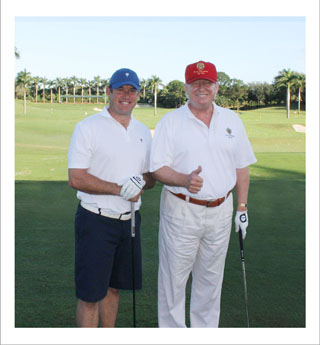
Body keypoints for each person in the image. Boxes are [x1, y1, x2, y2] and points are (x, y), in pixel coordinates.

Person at [150, 60, 257, 328]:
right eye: (195, 83)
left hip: (222, 211)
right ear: (186, 87)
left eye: (206, 83)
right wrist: (184, 179)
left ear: (216, 86)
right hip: (181, 210)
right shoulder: (171, 122)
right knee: (173, 282)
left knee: (210, 282)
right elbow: (156, 169)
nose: (201, 88)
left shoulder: (232, 120)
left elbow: (241, 168)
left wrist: (242, 208)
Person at [68, 68, 155, 327]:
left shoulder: (143, 131)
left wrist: (141, 182)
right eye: (120, 89)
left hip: (129, 221)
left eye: (131, 90)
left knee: (114, 288)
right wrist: (119, 189)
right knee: (90, 296)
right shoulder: (87, 128)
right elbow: (76, 177)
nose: (125, 95)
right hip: (96, 221)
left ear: (138, 94)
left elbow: (151, 176)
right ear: (109, 91)